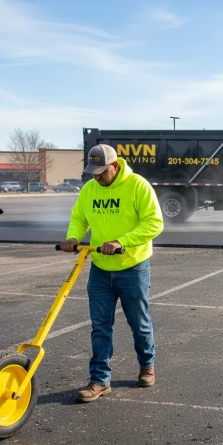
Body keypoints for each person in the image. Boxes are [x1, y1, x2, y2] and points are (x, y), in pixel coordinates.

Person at [60, 144, 164, 403]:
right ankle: (100, 380)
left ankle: (146, 365)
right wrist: (73, 237)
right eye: (92, 172)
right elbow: (79, 217)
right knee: (100, 327)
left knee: (139, 324)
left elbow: (154, 222)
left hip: (133, 268)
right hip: (100, 270)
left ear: (115, 166)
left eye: (101, 172)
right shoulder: (89, 189)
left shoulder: (138, 186)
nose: (96, 177)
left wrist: (121, 242)